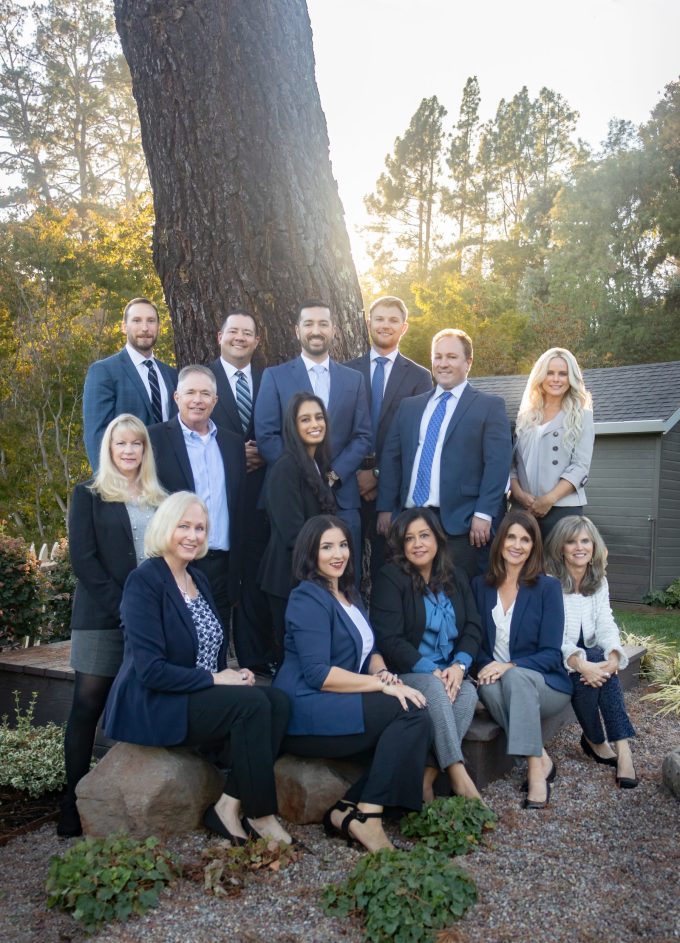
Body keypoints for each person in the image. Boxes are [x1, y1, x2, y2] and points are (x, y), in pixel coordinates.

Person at [104, 491, 294, 845]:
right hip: (157, 700)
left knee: (278, 702)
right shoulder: (144, 582)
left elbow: (211, 652)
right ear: (165, 528)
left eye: (201, 529)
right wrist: (214, 678)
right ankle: (262, 815)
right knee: (253, 706)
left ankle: (228, 803)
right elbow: (151, 671)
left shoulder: (198, 579)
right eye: (185, 526)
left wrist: (233, 676)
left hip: (198, 693)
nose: (193, 535)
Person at [273, 515, 430, 852]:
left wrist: (382, 672)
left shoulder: (348, 592)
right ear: (310, 553)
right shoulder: (307, 598)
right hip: (307, 704)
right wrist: (382, 688)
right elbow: (317, 673)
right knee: (409, 713)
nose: (338, 554)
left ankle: (349, 810)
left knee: (414, 710)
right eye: (327, 547)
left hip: (338, 697)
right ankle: (367, 817)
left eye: (343, 545)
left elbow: (368, 648)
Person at [58, 414, 167, 837]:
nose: (128, 451)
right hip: (102, 616)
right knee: (87, 706)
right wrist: (125, 608)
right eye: (120, 444)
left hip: (151, 618)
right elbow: (83, 560)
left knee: (146, 697)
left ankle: (133, 798)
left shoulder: (160, 496)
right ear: (109, 448)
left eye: (136, 444)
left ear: (145, 450)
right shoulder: (88, 494)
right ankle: (70, 799)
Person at [377, 328, 512, 580]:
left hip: (461, 523)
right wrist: (385, 507)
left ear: (468, 362)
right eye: (438, 357)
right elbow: (392, 459)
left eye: (451, 357)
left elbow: (498, 463)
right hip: (410, 519)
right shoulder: (410, 407)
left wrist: (484, 513)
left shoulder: (489, 406)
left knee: (458, 596)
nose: (443, 363)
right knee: (412, 595)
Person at [370, 508, 483, 801]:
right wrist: (430, 669)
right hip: (408, 670)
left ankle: (427, 777)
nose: (418, 544)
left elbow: (472, 627)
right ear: (401, 545)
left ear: (437, 539)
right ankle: (458, 775)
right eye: (410, 538)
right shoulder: (390, 578)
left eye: (424, 535)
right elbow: (390, 638)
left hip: (450, 669)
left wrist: (460, 665)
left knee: (468, 694)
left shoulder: (456, 576)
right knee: (435, 687)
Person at [254, 300, 372, 566]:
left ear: (333, 330)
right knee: (299, 572)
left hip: (342, 497)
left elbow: (363, 435)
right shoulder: (275, 377)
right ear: (297, 330)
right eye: (308, 324)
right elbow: (266, 435)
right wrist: (304, 474)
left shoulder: (354, 380)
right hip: (294, 499)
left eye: (323, 324)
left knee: (346, 577)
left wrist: (332, 475)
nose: (315, 330)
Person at [471, 510, 571, 809]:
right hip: (497, 682)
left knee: (513, 676)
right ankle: (540, 756)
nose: (517, 545)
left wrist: (510, 666)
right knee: (486, 686)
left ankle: (534, 772)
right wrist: (488, 666)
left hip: (546, 685)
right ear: (500, 541)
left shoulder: (547, 588)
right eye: (511, 537)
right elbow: (474, 642)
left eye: (525, 539)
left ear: (533, 546)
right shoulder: (480, 586)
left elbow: (552, 655)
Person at [148, 365, 246, 639]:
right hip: (177, 560)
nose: (197, 400)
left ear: (215, 401)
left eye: (205, 394)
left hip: (222, 563)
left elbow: (238, 505)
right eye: (190, 392)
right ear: (176, 397)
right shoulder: (155, 438)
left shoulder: (232, 443)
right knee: (179, 640)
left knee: (218, 639)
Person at [545, 516, 638, 788]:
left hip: (591, 656)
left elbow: (606, 622)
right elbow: (553, 635)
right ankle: (599, 741)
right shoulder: (549, 582)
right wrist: (579, 662)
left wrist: (613, 656)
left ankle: (620, 749)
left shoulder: (598, 578)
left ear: (594, 545)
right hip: (556, 656)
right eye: (571, 541)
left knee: (599, 659)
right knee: (591, 665)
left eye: (585, 540)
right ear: (560, 547)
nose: (579, 547)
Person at [345, 296, 432, 581]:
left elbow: (417, 440)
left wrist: (378, 474)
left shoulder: (419, 377)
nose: (386, 325)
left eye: (393, 320)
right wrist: (354, 472)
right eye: (379, 319)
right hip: (348, 484)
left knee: (390, 572)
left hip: (393, 489)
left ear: (404, 327)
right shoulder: (345, 371)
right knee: (345, 568)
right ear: (368, 323)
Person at [208, 310, 273, 673]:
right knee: (218, 587)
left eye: (247, 333)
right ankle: (214, 665)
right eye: (233, 331)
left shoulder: (270, 379)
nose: (240, 338)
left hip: (262, 501)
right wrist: (236, 455)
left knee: (256, 583)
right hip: (219, 500)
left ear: (256, 341)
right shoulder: (204, 378)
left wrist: (264, 453)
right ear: (220, 336)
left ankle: (256, 661)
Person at [258, 393, 337, 660]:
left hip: (311, 577)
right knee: (292, 659)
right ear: (293, 426)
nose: (314, 424)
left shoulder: (318, 464)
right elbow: (294, 534)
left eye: (318, 417)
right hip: (287, 580)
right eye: (305, 419)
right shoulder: (286, 467)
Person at [83, 298, 177, 471]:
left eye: (151, 321)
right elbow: (96, 436)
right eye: (136, 320)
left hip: (170, 480)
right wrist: (109, 488)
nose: (145, 328)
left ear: (158, 326)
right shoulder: (104, 371)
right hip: (127, 481)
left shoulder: (172, 375)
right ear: (124, 326)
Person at [510, 347, 594, 539]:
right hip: (523, 509)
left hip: (562, 510)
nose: (556, 379)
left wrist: (549, 499)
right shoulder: (525, 416)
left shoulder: (582, 416)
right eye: (550, 372)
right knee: (523, 568)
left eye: (563, 374)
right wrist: (520, 495)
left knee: (558, 568)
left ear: (571, 378)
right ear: (540, 376)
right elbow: (512, 464)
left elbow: (580, 467)